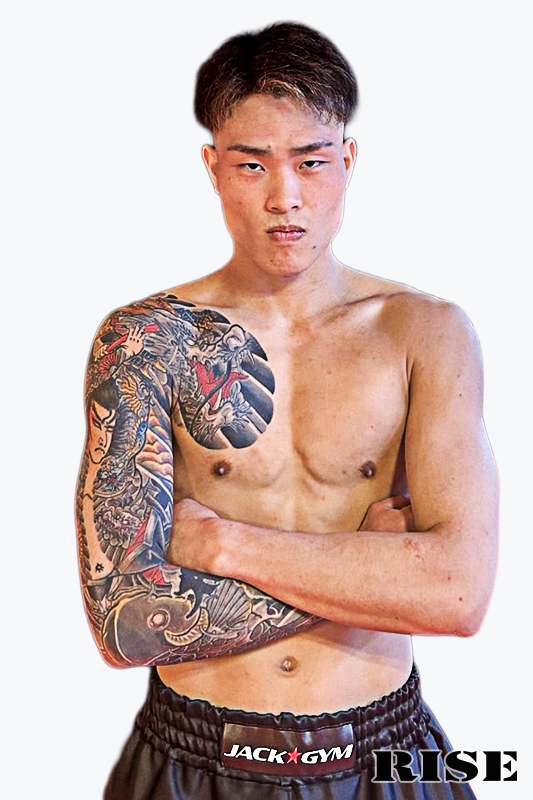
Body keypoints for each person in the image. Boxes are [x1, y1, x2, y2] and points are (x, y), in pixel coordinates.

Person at [76, 21, 498, 799]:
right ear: (213, 166)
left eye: (310, 160)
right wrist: (371, 573)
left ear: (347, 160)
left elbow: (457, 594)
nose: (285, 197)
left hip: (385, 750)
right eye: (251, 164)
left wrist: (223, 545)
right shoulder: (144, 342)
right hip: (192, 754)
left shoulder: (425, 333)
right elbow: (124, 623)